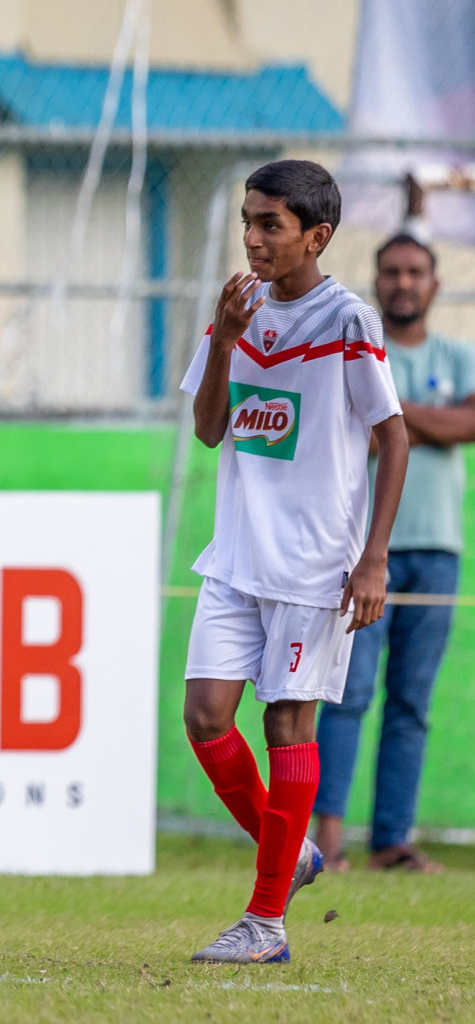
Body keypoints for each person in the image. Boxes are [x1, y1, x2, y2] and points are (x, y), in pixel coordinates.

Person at [180, 160, 408, 965]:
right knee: (205, 718)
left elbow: (392, 436)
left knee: (286, 722)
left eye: (270, 224)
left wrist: (372, 558)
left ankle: (266, 923)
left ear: (318, 236)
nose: (253, 237)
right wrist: (225, 341)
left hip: (315, 565)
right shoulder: (235, 315)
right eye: (248, 220)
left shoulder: (350, 320)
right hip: (238, 554)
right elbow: (211, 429)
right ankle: (296, 852)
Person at [313, 232, 475, 875]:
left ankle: (392, 840)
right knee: (346, 693)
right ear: (376, 283)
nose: (403, 282)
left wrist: (391, 414)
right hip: (362, 552)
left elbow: (467, 426)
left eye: (415, 271)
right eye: (391, 272)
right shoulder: (359, 349)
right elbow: (359, 434)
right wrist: (425, 421)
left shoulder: (457, 355)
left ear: (434, 284)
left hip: (436, 549)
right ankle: (327, 841)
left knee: (411, 702)